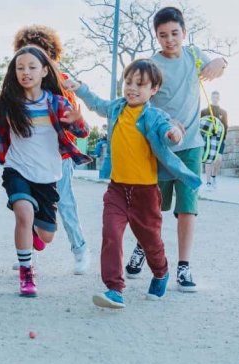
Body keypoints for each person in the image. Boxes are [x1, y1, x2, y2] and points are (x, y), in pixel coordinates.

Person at [67, 59, 202, 309]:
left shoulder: (154, 115)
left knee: (150, 241)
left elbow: (168, 131)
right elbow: (97, 104)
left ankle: (161, 272)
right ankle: (114, 289)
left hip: (146, 193)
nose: (132, 88)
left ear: (154, 89)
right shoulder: (117, 107)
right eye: (128, 82)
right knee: (111, 234)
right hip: (117, 188)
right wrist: (80, 88)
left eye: (140, 84)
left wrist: (175, 134)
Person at [124, 6, 227, 292]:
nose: (169, 39)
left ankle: (183, 266)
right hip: (160, 146)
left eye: (174, 33)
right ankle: (143, 247)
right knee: (153, 207)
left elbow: (216, 66)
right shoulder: (151, 65)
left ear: (183, 32)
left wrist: (221, 61)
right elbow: (141, 102)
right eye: (163, 35)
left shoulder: (194, 55)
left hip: (191, 145)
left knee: (187, 208)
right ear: (156, 36)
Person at [0, 46, 90, 298]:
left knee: (47, 236)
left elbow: (82, 133)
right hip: (17, 170)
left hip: (47, 176)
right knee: (24, 213)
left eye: (31, 67)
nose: (25, 72)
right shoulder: (9, 104)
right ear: (14, 72)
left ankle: (32, 235)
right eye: (20, 68)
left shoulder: (57, 103)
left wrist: (77, 121)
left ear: (43, 71)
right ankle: (26, 273)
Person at [4, 25, 92, 275]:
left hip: (58, 155)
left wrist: (75, 119)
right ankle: (28, 251)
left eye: (39, 53)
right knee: (26, 206)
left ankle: (80, 250)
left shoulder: (62, 82)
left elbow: (73, 121)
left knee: (65, 203)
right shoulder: (18, 86)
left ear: (49, 56)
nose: (30, 62)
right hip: (30, 157)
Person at [200, 90, 228, 188]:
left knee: (218, 160)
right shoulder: (204, 111)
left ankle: (213, 176)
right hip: (207, 139)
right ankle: (208, 182)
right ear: (211, 98)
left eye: (217, 97)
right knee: (209, 159)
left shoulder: (223, 112)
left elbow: (225, 126)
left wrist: (224, 138)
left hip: (219, 140)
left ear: (219, 99)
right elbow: (200, 125)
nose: (215, 99)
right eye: (213, 97)